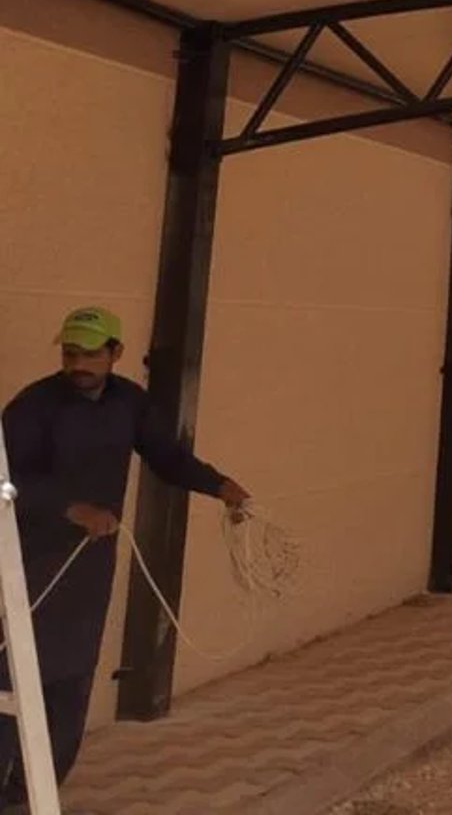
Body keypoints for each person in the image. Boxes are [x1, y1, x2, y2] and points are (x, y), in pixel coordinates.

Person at [0, 308, 249, 807]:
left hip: (89, 567)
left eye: (91, 353)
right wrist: (70, 508)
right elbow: (5, 479)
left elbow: (167, 457)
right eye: (70, 353)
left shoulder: (130, 403)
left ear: (115, 352)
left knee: (69, 681)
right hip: (25, 562)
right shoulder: (33, 406)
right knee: (12, 679)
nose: (78, 364)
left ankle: (31, 794)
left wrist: (220, 487)